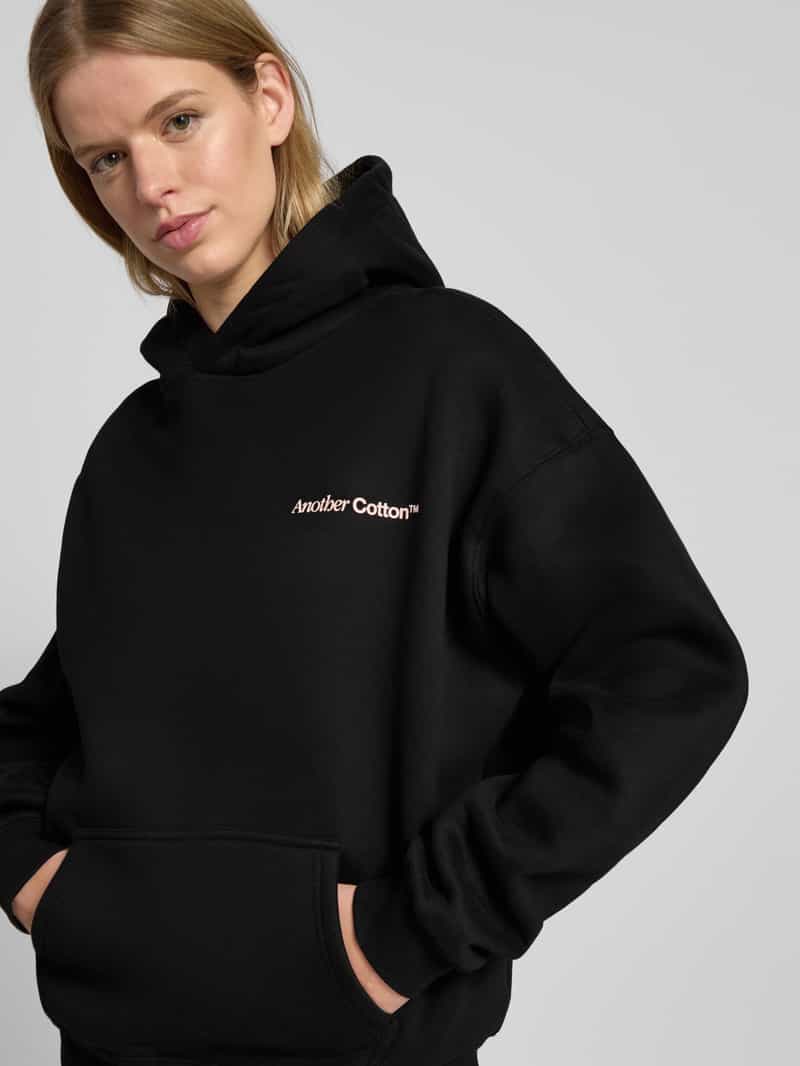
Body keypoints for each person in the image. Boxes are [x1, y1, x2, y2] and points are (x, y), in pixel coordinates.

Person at [0, 2, 749, 1065]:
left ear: (268, 98)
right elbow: (62, 715)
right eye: (105, 158)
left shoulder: (452, 373)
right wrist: (40, 884)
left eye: (179, 120)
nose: (150, 184)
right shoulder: (135, 446)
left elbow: (668, 674)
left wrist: (407, 931)